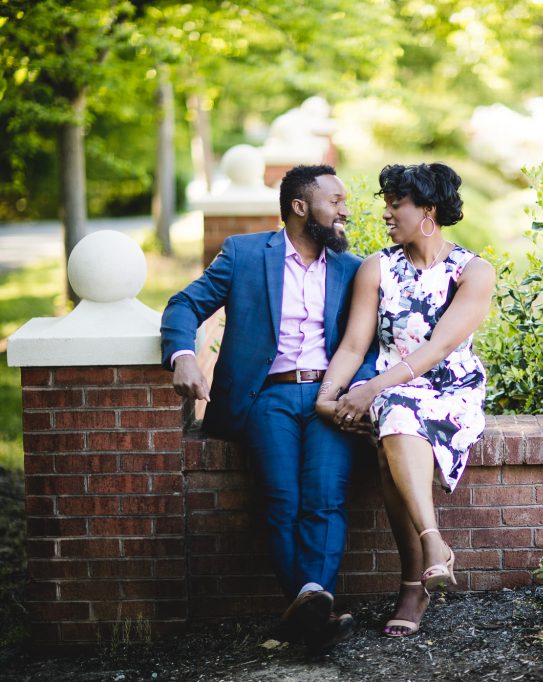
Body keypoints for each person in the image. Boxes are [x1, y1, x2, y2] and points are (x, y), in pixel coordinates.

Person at [160, 164, 377, 653]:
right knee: (282, 498)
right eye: (335, 200)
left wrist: (356, 388)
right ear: (300, 208)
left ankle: (308, 606)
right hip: (267, 396)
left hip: (330, 395)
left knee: (326, 496)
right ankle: (312, 605)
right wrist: (184, 355)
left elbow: (370, 344)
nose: (345, 209)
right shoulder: (244, 254)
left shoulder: (353, 268)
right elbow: (183, 304)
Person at [314, 162, 494, 638]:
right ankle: (429, 555)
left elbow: (438, 349)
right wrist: (327, 397)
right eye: (387, 204)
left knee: (392, 413)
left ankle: (414, 581)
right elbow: (354, 345)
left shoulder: (473, 271)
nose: (387, 214)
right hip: (396, 391)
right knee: (395, 418)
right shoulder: (377, 267)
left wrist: (370, 389)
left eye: (397, 205)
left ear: (428, 211)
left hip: (451, 387)